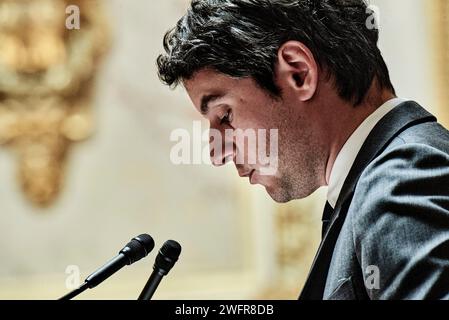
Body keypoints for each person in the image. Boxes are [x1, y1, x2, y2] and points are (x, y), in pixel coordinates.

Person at [156, 0, 449, 300]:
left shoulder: (402, 180)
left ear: (299, 72)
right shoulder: (380, 182)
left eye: (225, 116)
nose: (217, 154)